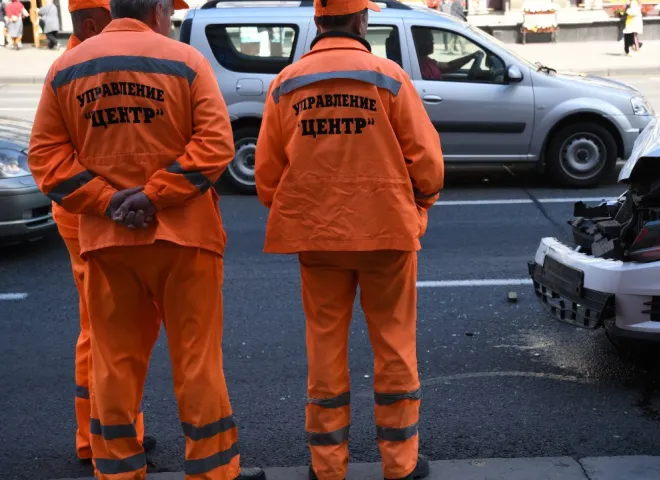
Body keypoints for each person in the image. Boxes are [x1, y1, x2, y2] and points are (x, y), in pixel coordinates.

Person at [27, 0, 265, 477]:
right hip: (186, 239)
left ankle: (117, 467)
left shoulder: (66, 68)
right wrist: (154, 196)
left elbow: (46, 158)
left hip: (107, 241)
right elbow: (216, 146)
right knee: (197, 359)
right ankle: (213, 470)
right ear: (157, 9)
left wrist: (106, 201)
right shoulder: (185, 61)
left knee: (112, 362)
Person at [254, 0, 444, 477]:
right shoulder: (388, 77)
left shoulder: (286, 84)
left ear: (317, 21)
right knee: (395, 347)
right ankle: (400, 464)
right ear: (362, 20)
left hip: (317, 239)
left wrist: (301, 211)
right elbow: (428, 164)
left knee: (324, 350)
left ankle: (327, 466)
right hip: (387, 235)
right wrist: (417, 209)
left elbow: (266, 179)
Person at [53, 0, 157, 465]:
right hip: (91, 217)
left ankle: (108, 432)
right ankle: (105, 439)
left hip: (89, 212)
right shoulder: (82, 66)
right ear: (95, 23)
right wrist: (117, 201)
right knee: (107, 332)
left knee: (105, 330)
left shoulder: (77, 65)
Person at [412, 26, 479, 80]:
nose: (433, 43)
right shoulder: (416, 64)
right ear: (420, 43)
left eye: (432, 40)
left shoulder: (428, 61)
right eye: (430, 40)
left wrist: (471, 56)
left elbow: (448, 65)